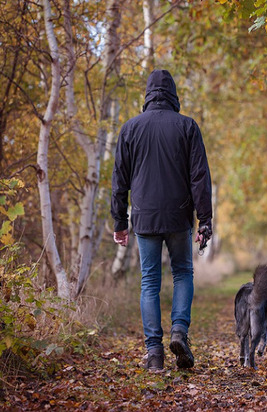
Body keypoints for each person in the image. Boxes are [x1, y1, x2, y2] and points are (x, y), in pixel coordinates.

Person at [110, 69, 212, 371]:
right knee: (182, 273)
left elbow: (119, 181)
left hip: (144, 218)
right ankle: (179, 331)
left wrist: (120, 222)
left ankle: (154, 352)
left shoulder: (130, 129)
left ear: (147, 94)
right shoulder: (187, 127)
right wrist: (204, 219)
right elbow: (199, 178)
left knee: (149, 282)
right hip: (179, 216)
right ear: (173, 94)